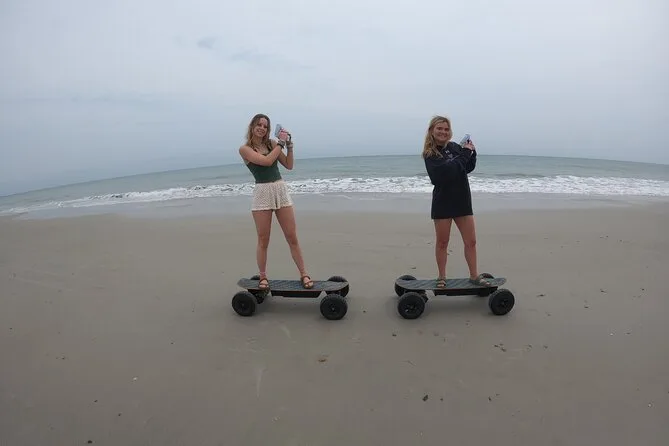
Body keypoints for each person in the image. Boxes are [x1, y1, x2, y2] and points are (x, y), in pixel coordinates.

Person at [238, 113, 314, 290]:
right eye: (259, 125)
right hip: (262, 193)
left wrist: (289, 146)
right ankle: (263, 277)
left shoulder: (272, 144)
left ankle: (304, 274)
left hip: (280, 190)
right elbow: (266, 161)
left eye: (265, 126)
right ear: (252, 126)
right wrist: (280, 143)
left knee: (292, 237)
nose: (262, 128)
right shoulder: (245, 149)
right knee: (263, 239)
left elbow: (289, 165)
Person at [422, 115, 491, 288]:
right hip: (443, 202)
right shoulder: (430, 154)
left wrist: (472, 152)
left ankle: (474, 276)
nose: (443, 132)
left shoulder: (454, 147)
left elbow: (466, 167)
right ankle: (441, 277)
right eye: (439, 128)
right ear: (431, 131)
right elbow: (444, 174)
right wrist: (465, 154)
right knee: (442, 243)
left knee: (471, 242)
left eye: (446, 129)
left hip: (462, 200)